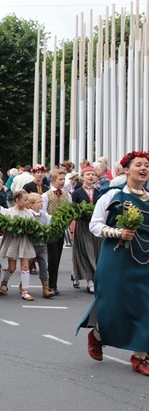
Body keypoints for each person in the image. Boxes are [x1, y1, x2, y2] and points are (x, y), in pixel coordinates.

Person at [77, 150, 149, 376]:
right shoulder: (112, 194)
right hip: (118, 258)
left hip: (144, 258)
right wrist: (118, 232)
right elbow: (95, 225)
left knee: (145, 306)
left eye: (147, 165)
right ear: (126, 169)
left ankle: (140, 356)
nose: (144, 168)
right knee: (115, 303)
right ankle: (98, 334)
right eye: (139, 164)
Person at [0, 190, 37, 301]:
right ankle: (4, 282)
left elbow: (32, 227)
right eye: (24, 200)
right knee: (12, 267)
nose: (26, 202)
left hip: (24, 240)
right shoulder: (8, 212)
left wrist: (31, 230)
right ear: (17, 200)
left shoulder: (29, 213)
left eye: (27, 200)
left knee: (25, 265)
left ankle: (25, 291)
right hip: (13, 240)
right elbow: (3, 226)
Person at [70, 166, 100, 294]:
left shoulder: (99, 192)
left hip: (96, 225)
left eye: (93, 174)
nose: (90, 176)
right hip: (83, 225)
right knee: (86, 251)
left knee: (96, 251)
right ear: (82, 177)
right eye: (88, 174)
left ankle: (87, 276)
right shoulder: (77, 193)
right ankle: (90, 280)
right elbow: (73, 211)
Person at [42, 169, 71, 295]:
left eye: (64, 179)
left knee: (57, 256)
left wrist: (66, 220)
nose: (63, 182)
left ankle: (53, 283)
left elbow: (70, 209)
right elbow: (43, 212)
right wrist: (53, 220)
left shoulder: (67, 195)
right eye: (60, 179)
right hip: (50, 229)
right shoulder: (46, 195)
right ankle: (49, 284)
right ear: (53, 180)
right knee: (51, 256)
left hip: (60, 229)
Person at [28, 193, 55, 299]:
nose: (41, 204)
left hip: (42, 245)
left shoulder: (44, 215)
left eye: (41, 202)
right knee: (27, 266)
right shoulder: (28, 214)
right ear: (31, 205)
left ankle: (45, 288)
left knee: (43, 266)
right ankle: (23, 285)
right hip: (31, 245)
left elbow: (48, 224)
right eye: (39, 202)